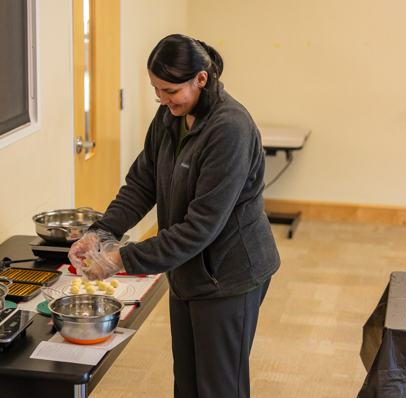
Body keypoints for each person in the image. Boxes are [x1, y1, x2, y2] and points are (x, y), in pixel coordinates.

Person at [68, 33, 281, 398]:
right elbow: (142, 183)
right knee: (187, 382)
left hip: (229, 275)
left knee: (219, 387)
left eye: (170, 90)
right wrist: (102, 233)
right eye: (156, 91)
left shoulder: (230, 128)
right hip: (188, 270)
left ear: (201, 78)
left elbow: (200, 228)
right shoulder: (170, 116)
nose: (163, 100)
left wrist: (121, 259)